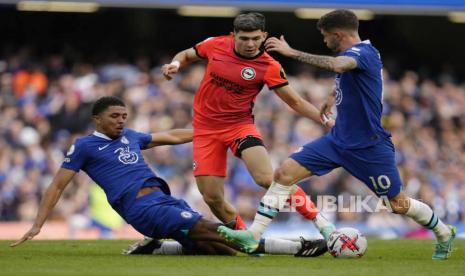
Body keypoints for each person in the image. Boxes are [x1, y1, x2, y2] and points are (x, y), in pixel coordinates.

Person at [217, 9, 456, 260]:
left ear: (338, 34)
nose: (324, 41)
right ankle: (253, 236)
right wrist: (333, 96)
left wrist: (292, 53)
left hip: (368, 146)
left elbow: (338, 64)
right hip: (337, 140)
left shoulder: (363, 53)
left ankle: (442, 231)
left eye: (325, 36)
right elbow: (348, 75)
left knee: (397, 204)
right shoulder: (355, 55)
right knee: (284, 174)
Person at [10, 96, 327, 257]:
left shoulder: (130, 136)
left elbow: (172, 136)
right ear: (97, 118)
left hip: (162, 200)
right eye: (114, 116)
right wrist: (38, 224)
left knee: (219, 250)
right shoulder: (84, 146)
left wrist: (209, 130)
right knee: (223, 233)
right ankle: (297, 246)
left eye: (123, 116)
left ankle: (158, 247)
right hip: (142, 207)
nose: (121, 121)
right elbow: (57, 185)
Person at [161, 12, 335, 237]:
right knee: (212, 197)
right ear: (233, 35)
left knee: (266, 178)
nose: (250, 44)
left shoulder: (269, 66)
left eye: (255, 38)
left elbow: (295, 101)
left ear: (263, 36)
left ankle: (322, 223)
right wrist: (175, 63)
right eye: (244, 38)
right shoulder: (216, 44)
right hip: (205, 130)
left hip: (239, 126)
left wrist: (327, 121)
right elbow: (186, 54)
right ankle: (245, 238)